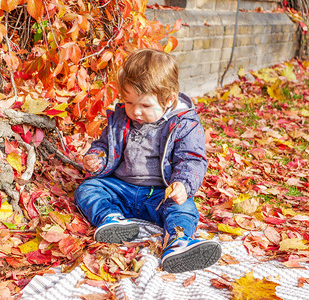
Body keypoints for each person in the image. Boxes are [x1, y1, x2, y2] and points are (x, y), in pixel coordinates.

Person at [74, 48, 221, 273]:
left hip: (159, 194)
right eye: (129, 102)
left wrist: (183, 184)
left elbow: (191, 158)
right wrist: (98, 158)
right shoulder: (122, 117)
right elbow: (104, 144)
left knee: (184, 207)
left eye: (144, 105)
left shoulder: (183, 123)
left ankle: (178, 241)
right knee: (88, 188)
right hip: (121, 187)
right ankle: (111, 218)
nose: (135, 111)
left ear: (169, 99)